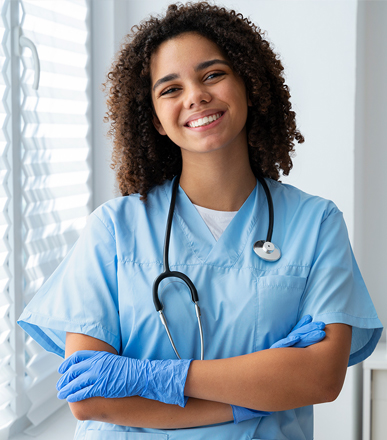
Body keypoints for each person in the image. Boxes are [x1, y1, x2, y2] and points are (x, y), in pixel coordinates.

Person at [18, 2, 382, 439]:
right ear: (154, 119)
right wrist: (253, 398)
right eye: (170, 88)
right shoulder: (114, 229)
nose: (195, 96)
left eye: (212, 75)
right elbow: (92, 398)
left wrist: (155, 377)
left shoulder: (315, 223)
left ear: (248, 84)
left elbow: (320, 378)